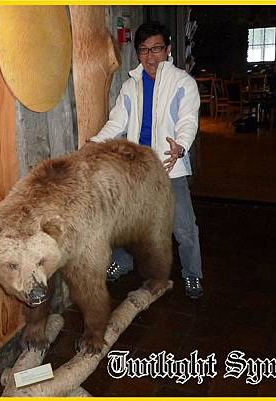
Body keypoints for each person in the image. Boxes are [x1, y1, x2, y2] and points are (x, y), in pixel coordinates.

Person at [88, 22, 203, 298]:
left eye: (156, 49)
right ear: (138, 53)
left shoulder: (183, 83)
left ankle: (193, 274)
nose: (151, 57)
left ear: (168, 49)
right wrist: (94, 144)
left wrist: (181, 146)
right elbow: (117, 122)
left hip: (169, 166)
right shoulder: (131, 85)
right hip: (137, 170)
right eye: (144, 50)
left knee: (184, 228)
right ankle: (123, 261)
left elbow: (188, 120)